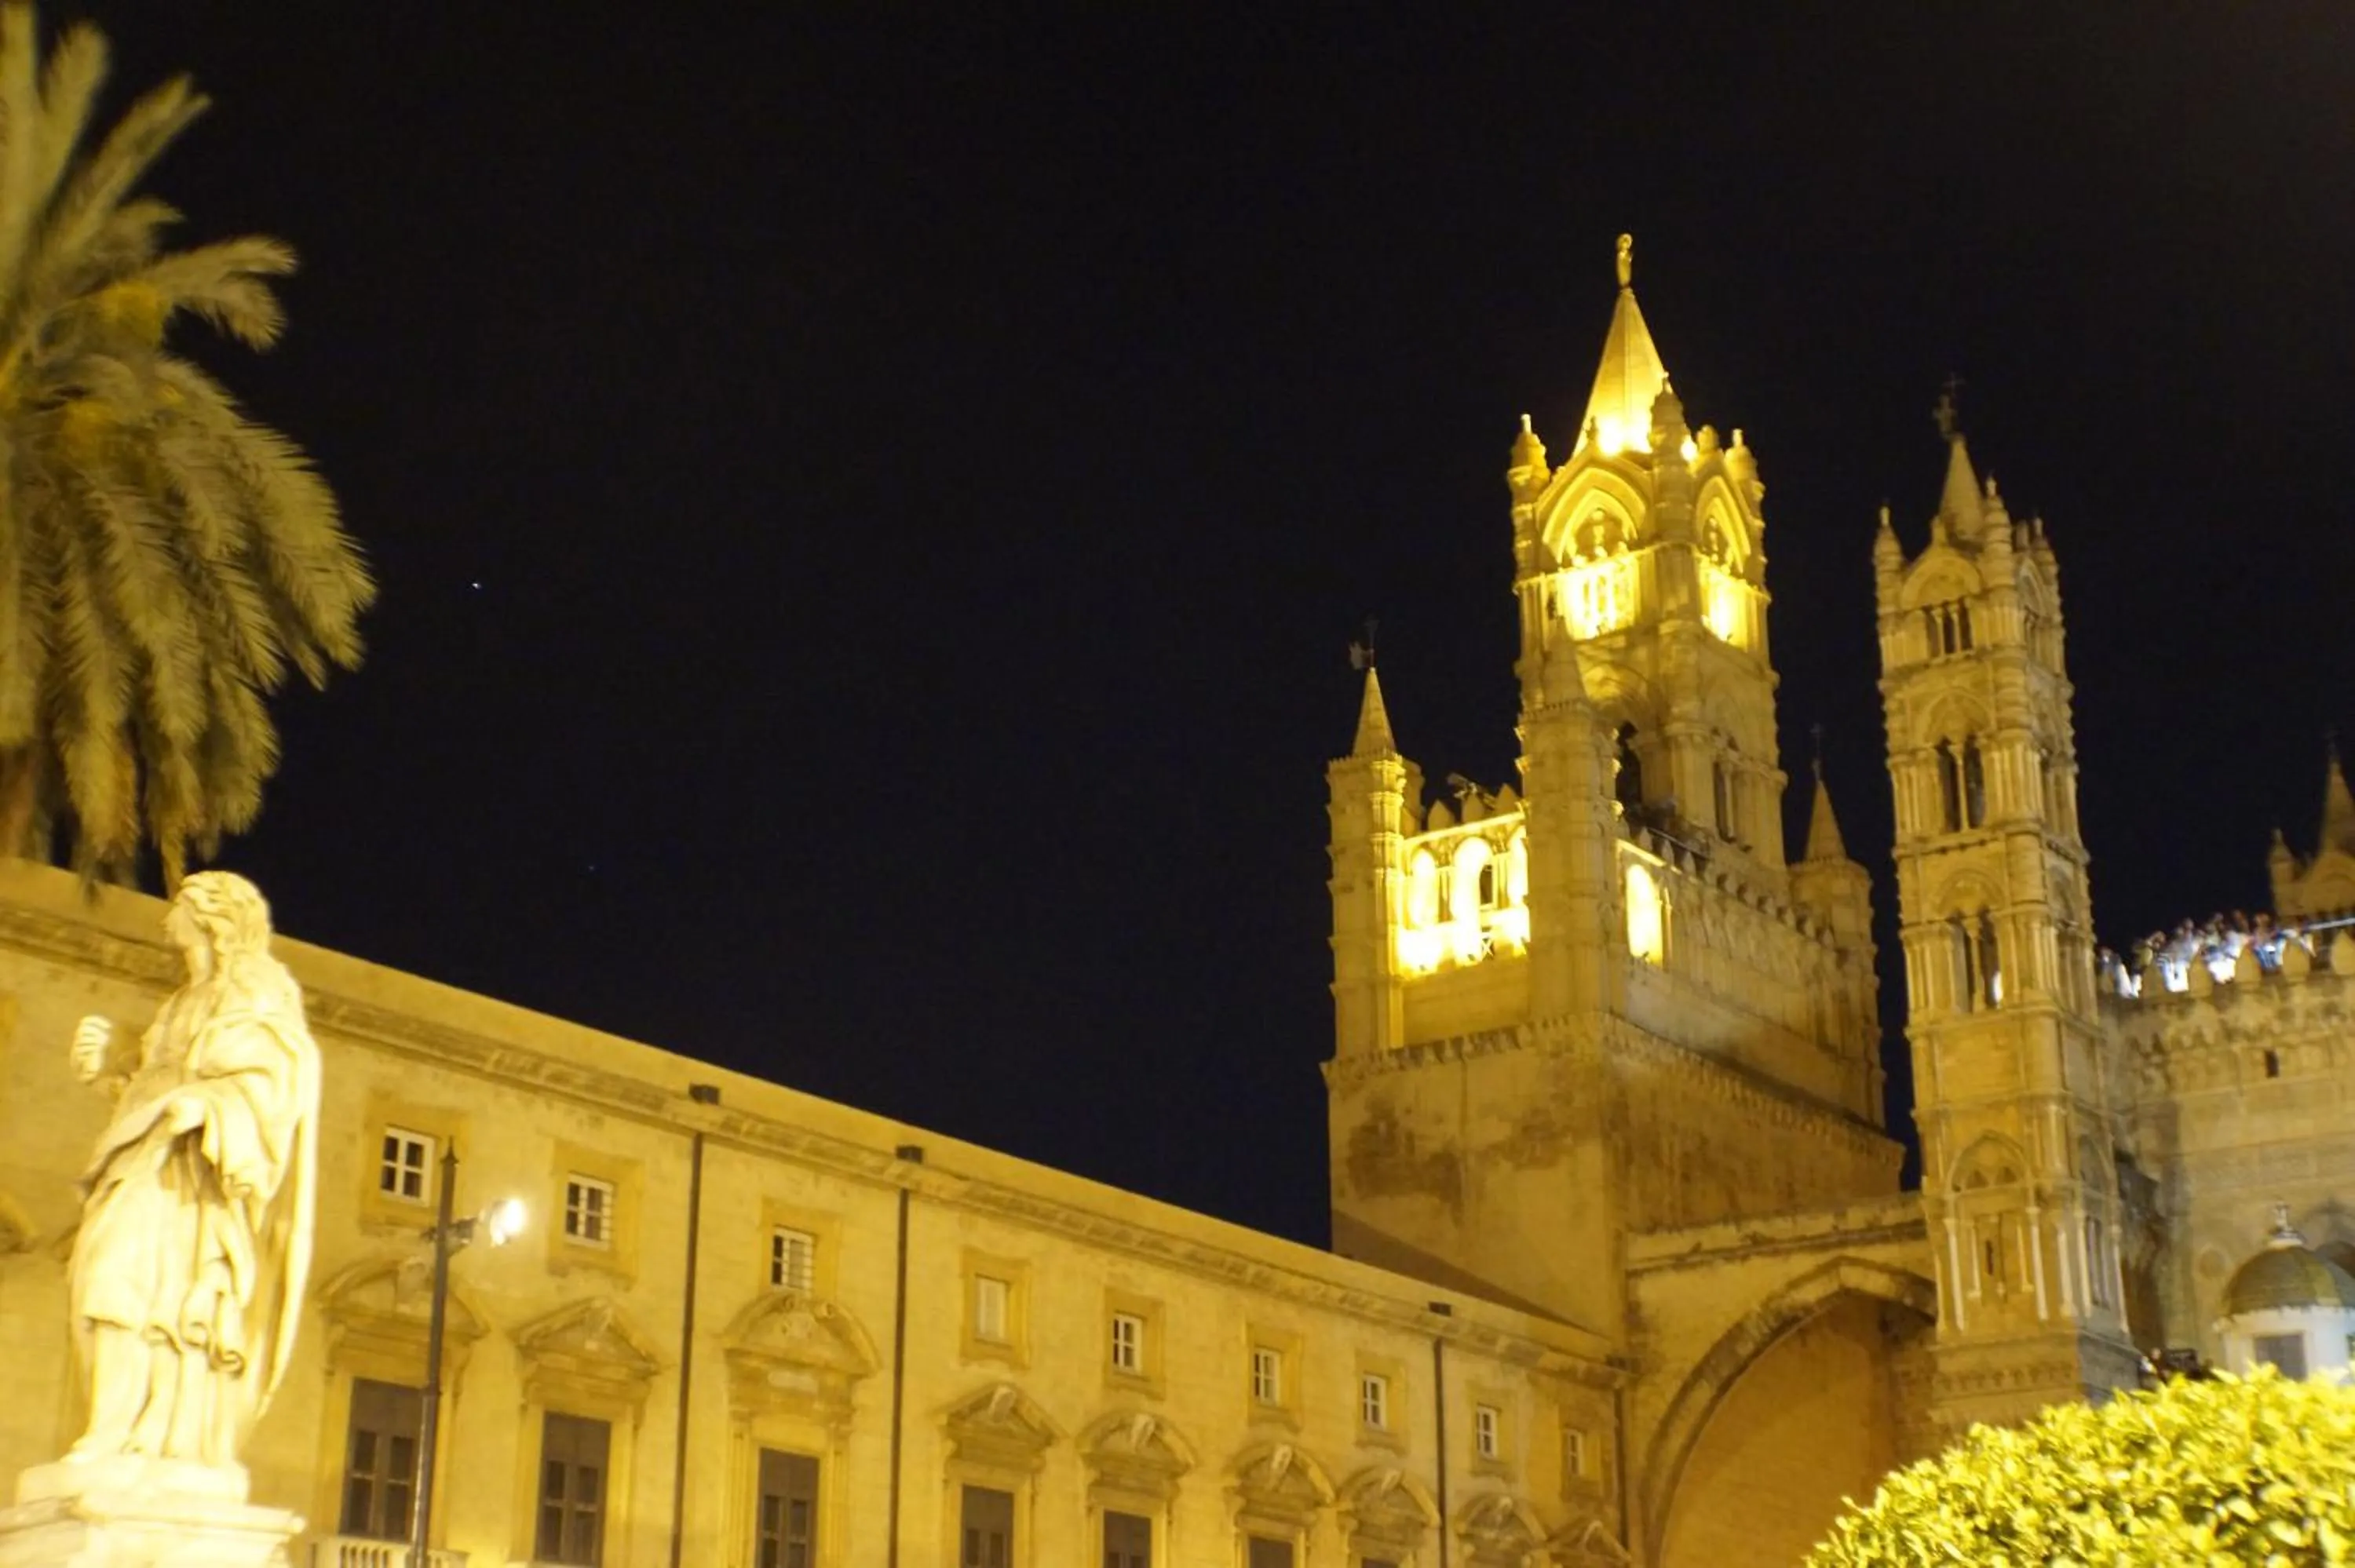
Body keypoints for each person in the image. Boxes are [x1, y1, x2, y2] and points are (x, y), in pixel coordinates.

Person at [64, 871, 319, 1468]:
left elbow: (272, 1081)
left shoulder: (254, 993)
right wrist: (103, 1072)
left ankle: (144, 1433)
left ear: (212, 919)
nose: (164, 919)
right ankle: (115, 1429)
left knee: (137, 1290)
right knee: (105, 1279)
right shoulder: (181, 1002)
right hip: (142, 1157)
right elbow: (151, 1086)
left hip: (197, 1175)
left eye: (178, 906)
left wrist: (205, 1106)